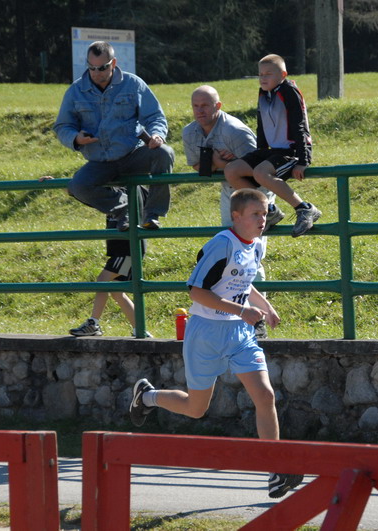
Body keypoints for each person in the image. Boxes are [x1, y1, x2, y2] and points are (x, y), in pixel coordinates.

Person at [129, 189, 303, 499]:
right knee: (196, 409)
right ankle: (148, 396)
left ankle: (276, 470)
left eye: (265, 214)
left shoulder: (255, 246)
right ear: (236, 216)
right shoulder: (221, 244)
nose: (263, 219)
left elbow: (243, 282)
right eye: (255, 214)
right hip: (205, 333)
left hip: (239, 334)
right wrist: (242, 310)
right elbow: (196, 291)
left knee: (265, 396)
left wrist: (265, 305)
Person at [182, 85, 274, 338]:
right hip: (229, 192)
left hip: (256, 192)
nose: (199, 111)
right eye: (195, 106)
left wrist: (221, 163)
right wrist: (223, 163)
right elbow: (197, 166)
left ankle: (257, 320)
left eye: (205, 105)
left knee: (251, 252)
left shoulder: (235, 131)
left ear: (218, 106)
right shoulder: (190, 132)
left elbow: (257, 170)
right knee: (231, 250)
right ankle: (234, 312)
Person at [53, 40, 173, 231]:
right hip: (100, 162)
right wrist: (75, 138)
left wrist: (157, 135)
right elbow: (62, 126)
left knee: (164, 153)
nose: (96, 72)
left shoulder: (133, 84)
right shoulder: (75, 91)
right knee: (78, 186)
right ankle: (124, 208)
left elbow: (155, 116)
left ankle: (152, 214)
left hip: (132, 155)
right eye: (91, 67)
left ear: (113, 63)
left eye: (102, 67)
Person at [224, 54, 321, 238]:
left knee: (260, 173)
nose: (263, 78)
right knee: (231, 170)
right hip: (271, 152)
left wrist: (303, 160)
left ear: (283, 75)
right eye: (260, 74)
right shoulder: (263, 93)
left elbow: (300, 126)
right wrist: (260, 152)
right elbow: (261, 125)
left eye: (268, 74)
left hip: (291, 151)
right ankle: (269, 210)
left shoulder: (289, 91)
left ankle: (304, 208)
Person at [69, 211, 152, 338]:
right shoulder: (113, 202)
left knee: (103, 280)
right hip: (121, 252)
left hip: (127, 252)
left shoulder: (128, 200)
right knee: (117, 292)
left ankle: (93, 324)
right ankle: (140, 329)